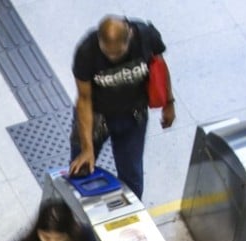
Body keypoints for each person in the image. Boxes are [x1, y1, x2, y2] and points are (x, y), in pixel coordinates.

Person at [69, 15, 175, 200]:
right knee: (80, 170)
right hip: (96, 116)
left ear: (129, 37)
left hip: (132, 116)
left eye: (118, 53)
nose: (112, 58)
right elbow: (84, 99)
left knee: (132, 179)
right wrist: (87, 148)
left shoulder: (145, 37)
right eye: (107, 53)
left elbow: (160, 67)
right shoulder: (87, 51)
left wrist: (169, 103)